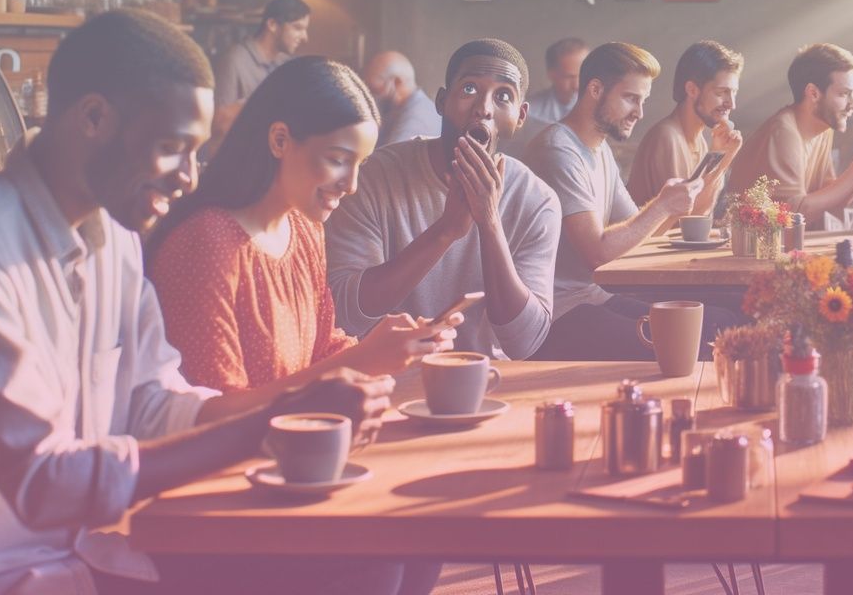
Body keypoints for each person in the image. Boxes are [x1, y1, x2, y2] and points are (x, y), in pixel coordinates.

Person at [0, 10, 415, 595]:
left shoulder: (117, 240)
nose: (188, 178)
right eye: (171, 148)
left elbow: (153, 402)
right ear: (95, 118)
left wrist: (298, 407)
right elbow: (43, 482)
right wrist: (266, 426)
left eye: (196, 151)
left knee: (381, 559)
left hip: (92, 560)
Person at [148, 56, 458, 412]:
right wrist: (362, 361)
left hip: (299, 447)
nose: (352, 185)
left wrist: (391, 350)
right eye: (338, 159)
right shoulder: (207, 243)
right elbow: (213, 415)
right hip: (234, 463)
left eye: (361, 164)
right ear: (280, 140)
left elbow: (322, 350)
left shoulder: (304, 228)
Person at [326, 40, 561, 359]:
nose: (484, 108)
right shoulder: (372, 178)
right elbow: (345, 315)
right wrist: (446, 230)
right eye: (468, 89)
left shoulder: (537, 201)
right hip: (386, 371)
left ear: (520, 117)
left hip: (482, 377)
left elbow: (524, 342)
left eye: (503, 95)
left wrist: (489, 221)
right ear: (441, 101)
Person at [526, 43, 737, 360]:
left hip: (590, 298)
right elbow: (597, 253)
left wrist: (683, 192)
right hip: (554, 314)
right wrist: (663, 206)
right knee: (687, 342)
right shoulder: (558, 149)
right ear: (596, 89)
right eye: (630, 98)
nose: (639, 112)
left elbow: (644, 233)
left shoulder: (599, 150)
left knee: (721, 325)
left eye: (643, 100)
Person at [725, 43, 853, 228]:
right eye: (844, 94)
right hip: (751, 246)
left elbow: (829, 204)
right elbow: (791, 214)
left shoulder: (823, 128)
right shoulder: (784, 131)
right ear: (813, 93)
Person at [628, 40, 746, 227]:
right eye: (722, 92)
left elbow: (702, 213)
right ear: (692, 89)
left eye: (734, 93)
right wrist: (721, 163)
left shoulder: (699, 140)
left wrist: (721, 158)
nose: (732, 104)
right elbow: (685, 224)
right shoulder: (667, 137)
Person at [212, 0, 311, 118]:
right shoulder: (233, 61)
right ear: (272, 25)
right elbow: (219, 122)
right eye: (297, 28)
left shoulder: (287, 64)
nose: (305, 38)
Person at [363, 49, 442, 144]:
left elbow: (387, 158)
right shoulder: (407, 108)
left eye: (373, 89)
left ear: (397, 82)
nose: (371, 96)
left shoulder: (415, 121)